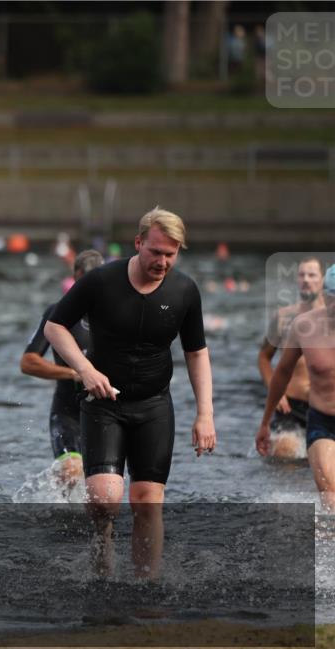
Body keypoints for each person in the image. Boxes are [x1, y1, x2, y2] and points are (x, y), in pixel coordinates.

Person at [44, 207, 216, 578]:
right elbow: (55, 328)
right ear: (138, 243)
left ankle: (145, 583)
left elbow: (196, 352)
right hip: (104, 404)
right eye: (155, 252)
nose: (162, 261)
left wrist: (205, 414)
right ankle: (103, 540)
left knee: (147, 501)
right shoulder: (101, 281)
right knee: (106, 499)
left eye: (171, 254)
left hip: (154, 405)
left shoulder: (184, 290)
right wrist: (85, 370)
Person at [20, 250, 104, 494]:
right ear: (75, 277)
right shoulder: (58, 313)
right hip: (68, 411)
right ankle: (62, 517)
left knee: (101, 489)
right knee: (70, 472)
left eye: (95, 282)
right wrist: (74, 373)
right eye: (85, 281)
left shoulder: (116, 313)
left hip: (105, 413)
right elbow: (28, 362)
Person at [257, 265, 335, 510]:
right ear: (326, 296)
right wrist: (265, 422)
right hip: (322, 421)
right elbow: (280, 373)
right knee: (330, 493)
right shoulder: (302, 326)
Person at [257, 257, 324, 458]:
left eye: (312, 275)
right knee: (285, 455)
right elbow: (263, 358)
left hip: (324, 406)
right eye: (301, 275)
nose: (306, 279)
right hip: (291, 407)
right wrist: (276, 392)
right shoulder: (283, 317)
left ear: (322, 281)